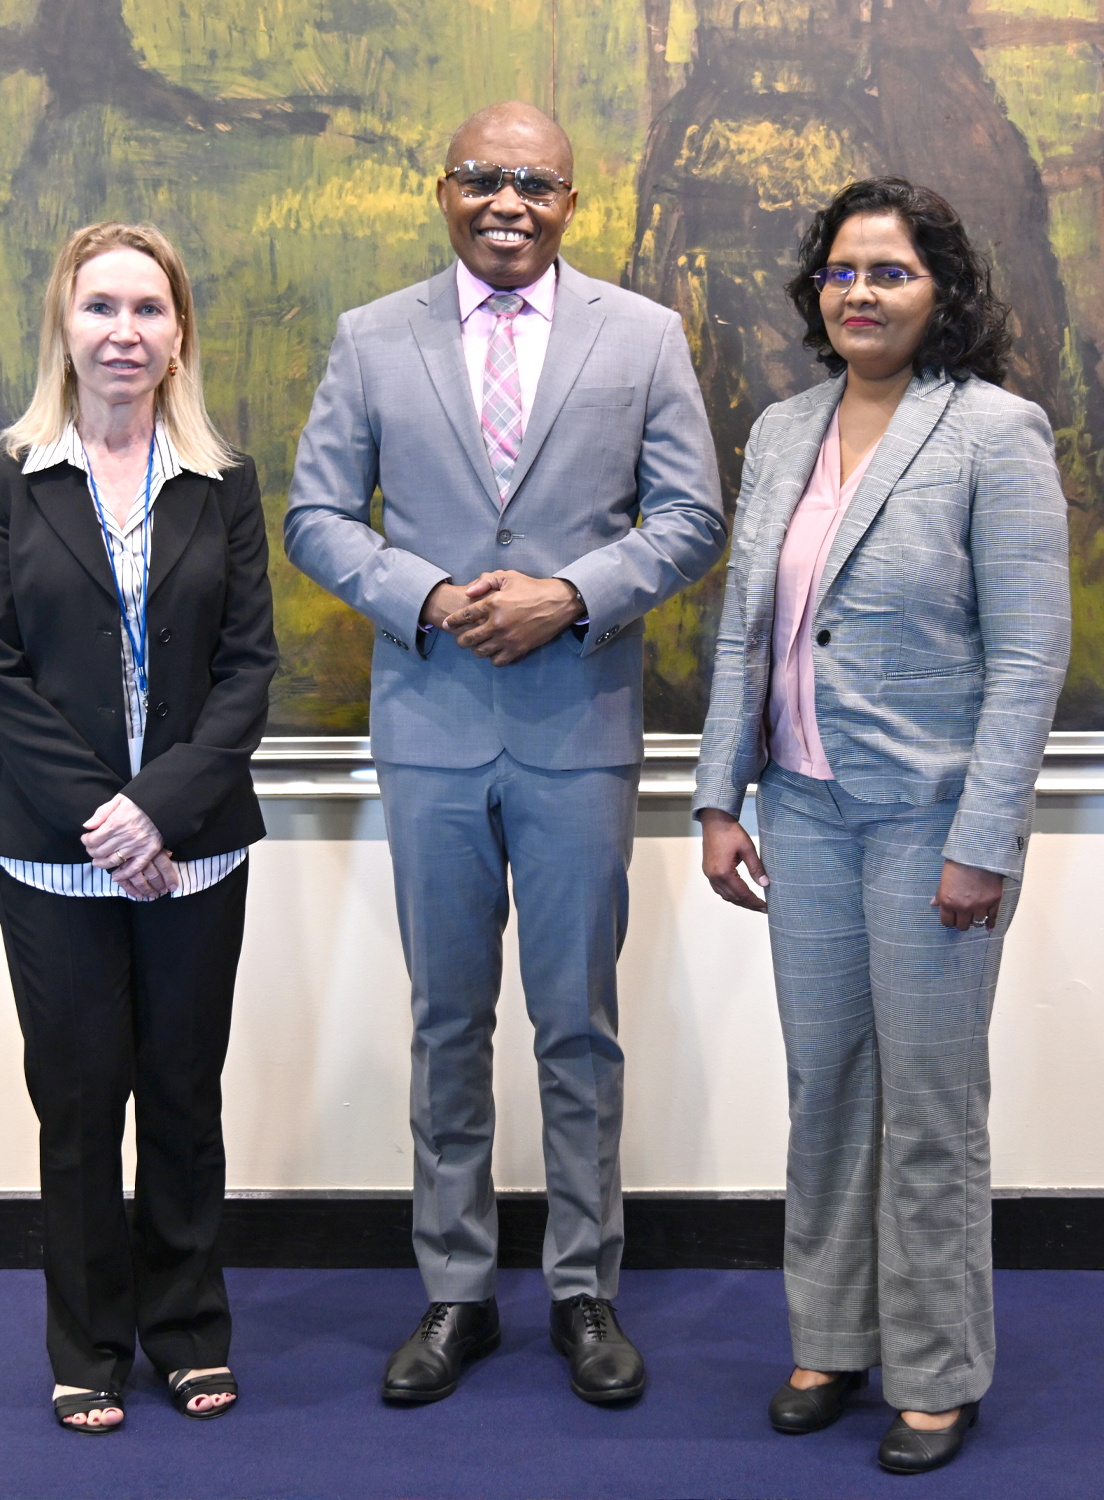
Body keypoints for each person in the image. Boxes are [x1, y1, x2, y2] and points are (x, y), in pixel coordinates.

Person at [285, 101, 725, 1406]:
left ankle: (584, 1291)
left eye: (534, 182)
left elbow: (693, 514)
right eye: (482, 178)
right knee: (445, 1020)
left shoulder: (641, 338)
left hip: (576, 724)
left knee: (577, 1025)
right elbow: (315, 514)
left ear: (572, 202)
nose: (507, 202)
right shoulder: (373, 339)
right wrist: (421, 594)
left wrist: (572, 594)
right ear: (443, 189)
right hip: (429, 725)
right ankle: (458, 1294)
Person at [693, 178, 1071, 1473]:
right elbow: (747, 626)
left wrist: (987, 839)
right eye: (843, 272)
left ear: (941, 293)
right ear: (818, 292)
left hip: (931, 831)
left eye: (891, 272)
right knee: (828, 1092)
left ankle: (935, 1368)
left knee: (928, 1107)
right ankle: (832, 1338)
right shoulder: (784, 430)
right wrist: (716, 794)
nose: (861, 292)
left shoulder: (994, 432)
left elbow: (1028, 658)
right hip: (801, 813)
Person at [0, 221, 278, 1434]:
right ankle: (90, 1345)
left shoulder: (223, 481)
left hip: (196, 847)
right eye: (101, 308)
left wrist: (162, 807)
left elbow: (250, 668)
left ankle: (188, 1329)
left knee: (185, 1098)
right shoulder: (3, 478)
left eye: (148, 310)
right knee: (83, 1104)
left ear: (179, 332)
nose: (124, 332)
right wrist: (105, 813)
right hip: (52, 853)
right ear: (65, 326)